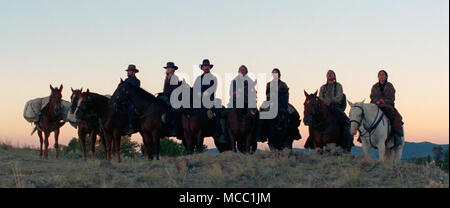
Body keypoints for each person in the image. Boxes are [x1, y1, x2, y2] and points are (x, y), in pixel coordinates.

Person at [316, 70, 354, 152]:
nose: (329, 75)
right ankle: (312, 141)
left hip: (336, 106)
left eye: (331, 74)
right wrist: (324, 102)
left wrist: (331, 100)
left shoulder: (339, 86)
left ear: (334, 76)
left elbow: (340, 96)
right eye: (328, 74)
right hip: (324, 107)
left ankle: (347, 141)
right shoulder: (323, 87)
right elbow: (320, 97)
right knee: (314, 120)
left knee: (347, 122)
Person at [193, 59, 224, 140]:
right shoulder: (198, 78)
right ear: (202, 68)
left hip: (210, 99)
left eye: (207, 66)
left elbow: (213, 89)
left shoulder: (213, 78)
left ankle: (217, 130)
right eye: (205, 66)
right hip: (198, 99)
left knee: (217, 111)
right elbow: (194, 89)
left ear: (210, 68)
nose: (206, 67)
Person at [370, 70, 404, 143]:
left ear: (386, 76)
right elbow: (372, 96)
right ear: (378, 77)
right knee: (365, 116)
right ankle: (363, 136)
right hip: (375, 106)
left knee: (394, 118)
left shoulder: (390, 86)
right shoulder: (375, 86)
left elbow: (392, 97)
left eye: (383, 75)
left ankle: (396, 136)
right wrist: (376, 101)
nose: (381, 76)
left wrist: (383, 101)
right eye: (380, 75)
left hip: (387, 106)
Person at [159, 62, 182, 136]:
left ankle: (173, 128)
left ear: (173, 70)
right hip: (166, 96)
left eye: (169, 68)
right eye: (167, 68)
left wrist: (166, 95)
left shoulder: (174, 78)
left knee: (173, 111)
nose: (167, 69)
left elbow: (174, 91)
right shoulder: (166, 78)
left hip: (172, 97)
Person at [124, 64, 141, 135]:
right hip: (125, 99)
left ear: (133, 72)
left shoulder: (137, 81)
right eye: (128, 71)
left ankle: (130, 127)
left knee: (130, 110)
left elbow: (134, 92)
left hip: (132, 100)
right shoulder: (126, 80)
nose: (128, 72)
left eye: (129, 71)